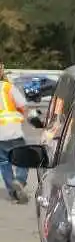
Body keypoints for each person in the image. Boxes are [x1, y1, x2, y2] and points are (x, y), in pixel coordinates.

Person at [0, 64, 29, 202]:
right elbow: (23, 106)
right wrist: (22, 117)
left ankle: (14, 194)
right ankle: (20, 180)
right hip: (13, 131)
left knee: (4, 163)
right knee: (23, 158)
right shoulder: (8, 87)